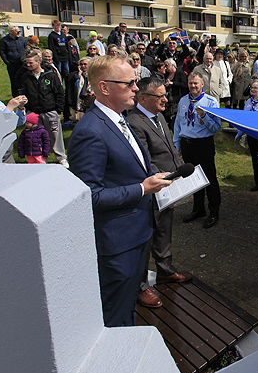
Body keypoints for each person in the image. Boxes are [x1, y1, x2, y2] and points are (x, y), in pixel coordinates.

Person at [68, 55, 174, 327]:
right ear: (104, 88)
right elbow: (89, 196)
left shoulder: (119, 119)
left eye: (135, 82)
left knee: (128, 307)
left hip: (138, 233)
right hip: (118, 244)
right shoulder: (90, 131)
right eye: (129, 84)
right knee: (116, 314)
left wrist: (152, 175)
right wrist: (142, 188)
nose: (136, 88)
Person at [127, 77, 194, 310]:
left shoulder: (159, 116)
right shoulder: (135, 122)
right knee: (147, 237)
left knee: (165, 230)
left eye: (166, 94)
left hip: (168, 186)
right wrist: (163, 177)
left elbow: (168, 146)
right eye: (160, 96)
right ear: (142, 98)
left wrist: (178, 166)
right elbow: (143, 162)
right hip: (152, 190)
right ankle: (141, 286)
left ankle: (165, 271)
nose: (166, 99)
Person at [173, 72, 222, 229]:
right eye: (190, 83)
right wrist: (177, 145)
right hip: (187, 144)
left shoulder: (211, 102)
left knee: (209, 180)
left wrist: (204, 116)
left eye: (196, 83)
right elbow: (178, 125)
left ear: (202, 84)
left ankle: (214, 212)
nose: (193, 86)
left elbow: (216, 127)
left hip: (203, 145)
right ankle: (198, 209)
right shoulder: (183, 100)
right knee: (193, 180)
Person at [18, 52, 67, 168]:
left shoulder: (50, 75)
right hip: (33, 112)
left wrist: (58, 110)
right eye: (27, 63)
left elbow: (59, 93)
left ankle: (61, 157)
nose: (28, 65)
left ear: (38, 62)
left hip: (50, 111)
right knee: (35, 136)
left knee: (55, 135)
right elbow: (22, 92)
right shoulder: (25, 77)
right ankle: (40, 158)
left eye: (31, 62)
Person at [0, 25, 28, 96]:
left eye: (19, 31)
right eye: (17, 31)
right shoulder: (4, 40)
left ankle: (25, 94)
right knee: (14, 80)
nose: (19, 33)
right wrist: (7, 62)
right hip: (12, 64)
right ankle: (16, 95)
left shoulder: (22, 40)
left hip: (22, 63)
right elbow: (2, 52)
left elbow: (27, 49)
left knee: (24, 79)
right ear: (11, 32)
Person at [65, 57, 92, 122]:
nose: (83, 66)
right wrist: (79, 75)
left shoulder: (94, 75)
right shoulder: (76, 75)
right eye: (81, 64)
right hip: (80, 99)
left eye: (85, 64)